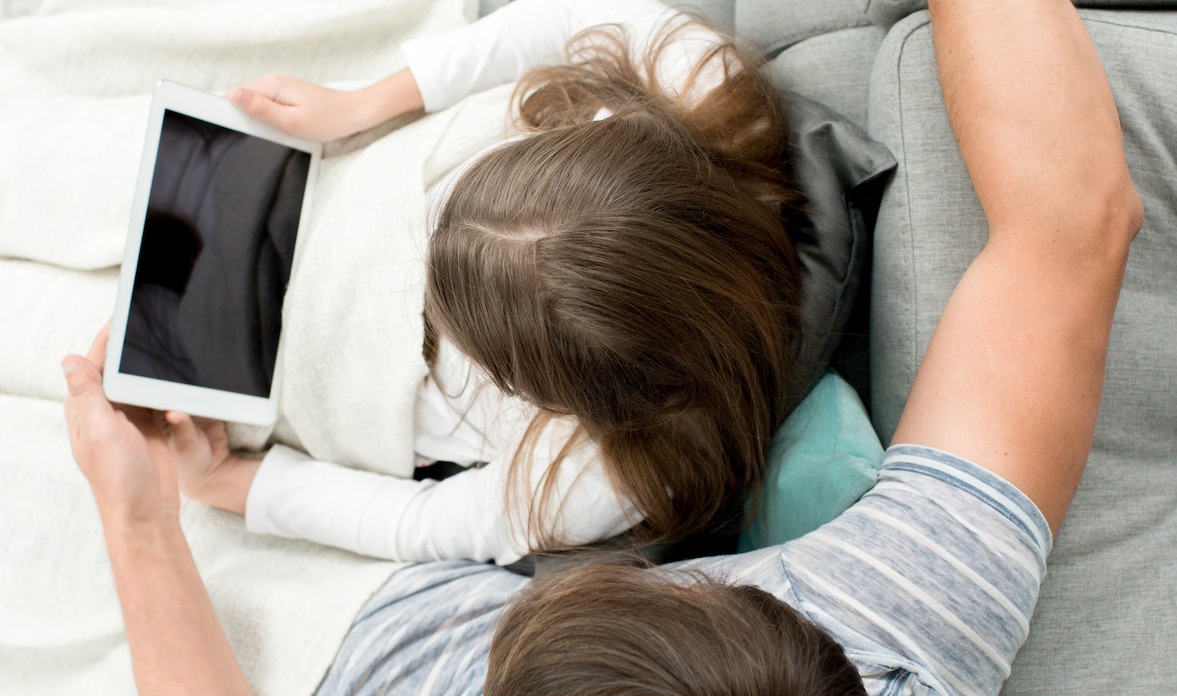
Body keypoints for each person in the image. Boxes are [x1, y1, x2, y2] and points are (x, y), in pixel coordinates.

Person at [60, 0, 1143, 694]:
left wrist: (152, 515)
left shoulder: (581, 492)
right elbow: (1069, 224)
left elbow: (445, 527)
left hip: (325, 608)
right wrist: (377, 100)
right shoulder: (896, 625)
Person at [124, 0, 802, 569]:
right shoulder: (717, 103)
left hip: (331, 378)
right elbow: (574, 14)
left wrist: (223, 480)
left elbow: (425, 523)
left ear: (541, 390)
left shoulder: (613, 473)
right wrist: (363, 105)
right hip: (338, 187)